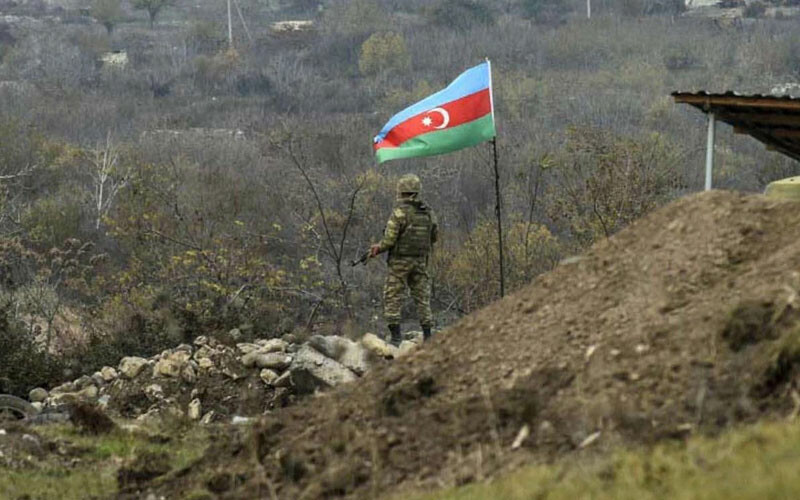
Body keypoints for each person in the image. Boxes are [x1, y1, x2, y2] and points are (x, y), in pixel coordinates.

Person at [370, 173, 438, 346]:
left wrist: (377, 248)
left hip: (400, 262)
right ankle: (428, 336)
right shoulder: (429, 213)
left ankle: (395, 338)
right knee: (422, 298)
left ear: (401, 192)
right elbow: (434, 237)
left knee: (393, 296)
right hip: (420, 261)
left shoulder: (399, 213)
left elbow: (389, 240)